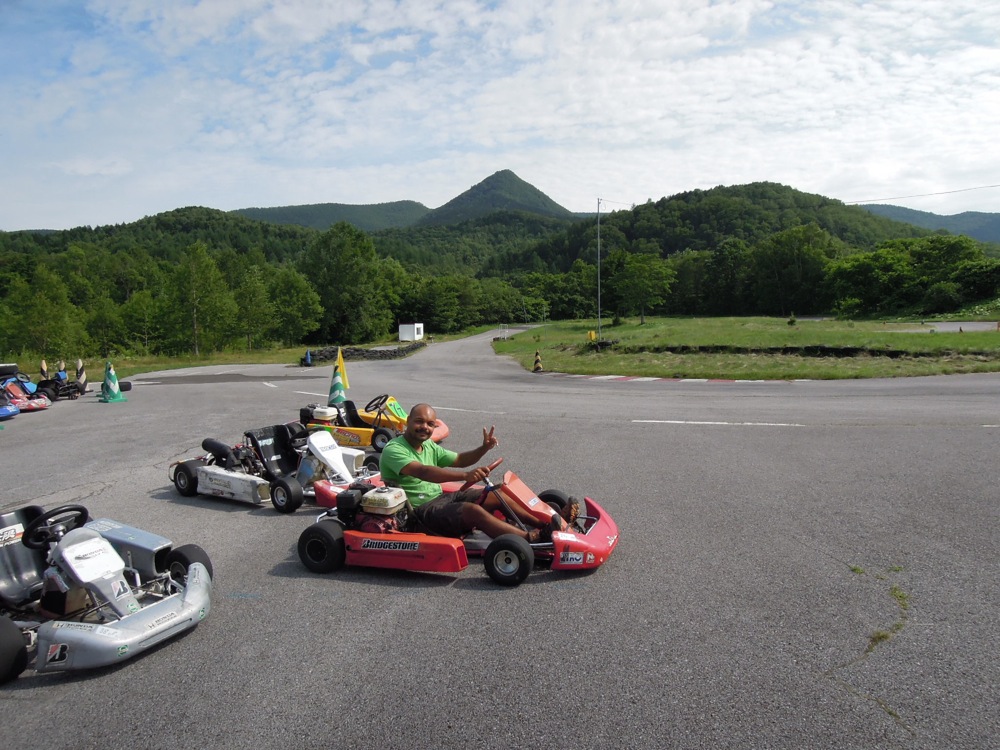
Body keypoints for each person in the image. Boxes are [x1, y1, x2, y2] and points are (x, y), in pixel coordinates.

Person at [379, 403, 573, 542]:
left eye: (430, 424)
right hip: (418, 514)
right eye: (419, 422)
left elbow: (461, 460)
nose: (425, 427)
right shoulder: (394, 449)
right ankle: (531, 538)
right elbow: (423, 472)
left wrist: (483, 448)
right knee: (472, 511)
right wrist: (465, 476)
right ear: (407, 421)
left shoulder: (428, 446)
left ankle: (544, 524)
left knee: (497, 492)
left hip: (439, 500)